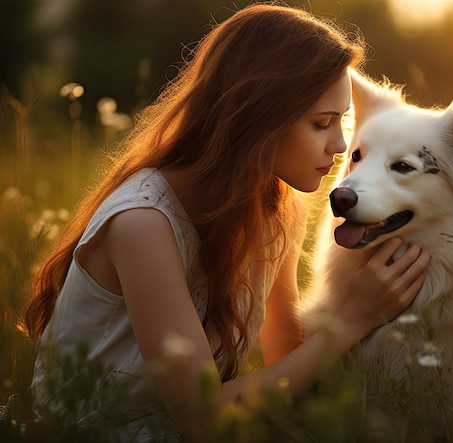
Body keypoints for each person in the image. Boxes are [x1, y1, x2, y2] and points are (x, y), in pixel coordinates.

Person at [23, 3, 431, 442]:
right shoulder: (143, 223)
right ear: (257, 116)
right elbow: (204, 418)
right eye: (321, 123)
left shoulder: (276, 204)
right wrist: (354, 318)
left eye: (342, 122)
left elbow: (283, 356)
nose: (338, 145)